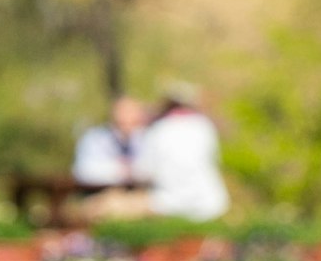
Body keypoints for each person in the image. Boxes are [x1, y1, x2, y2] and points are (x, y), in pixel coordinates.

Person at [137, 83, 228, 223]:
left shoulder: (158, 130)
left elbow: (145, 170)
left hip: (167, 203)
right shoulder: (204, 126)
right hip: (211, 202)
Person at [71, 95, 153, 218]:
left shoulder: (146, 138)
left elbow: (152, 169)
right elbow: (83, 171)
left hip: (138, 197)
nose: (128, 124)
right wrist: (120, 170)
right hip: (100, 196)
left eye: (134, 119)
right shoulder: (95, 138)